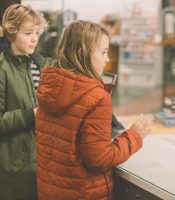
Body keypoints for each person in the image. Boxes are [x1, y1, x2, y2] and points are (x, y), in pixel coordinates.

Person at [35, 20, 151, 200]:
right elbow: (99, 159)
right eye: (104, 52)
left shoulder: (49, 86)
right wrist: (134, 135)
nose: (108, 59)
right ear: (82, 54)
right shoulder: (96, 97)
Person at [0, 4, 50, 200]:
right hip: (15, 171)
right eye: (28, 32)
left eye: (37, 32)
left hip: (43, 167)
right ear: (12, 33)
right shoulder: (2, 68)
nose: (34, 38)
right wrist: (32, 115)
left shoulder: (41, 64)